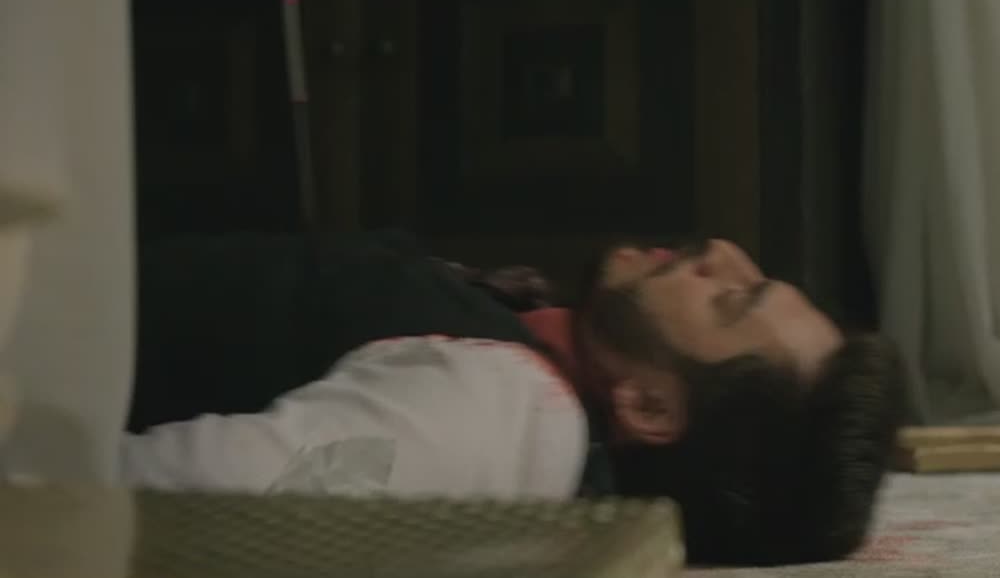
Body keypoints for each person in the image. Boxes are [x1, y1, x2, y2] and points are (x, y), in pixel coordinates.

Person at [122, 230, 903, 566]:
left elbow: (173, 504)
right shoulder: (529, 360)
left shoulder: (500, 409)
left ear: (650, 409)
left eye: (730, 299)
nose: (723, 252)